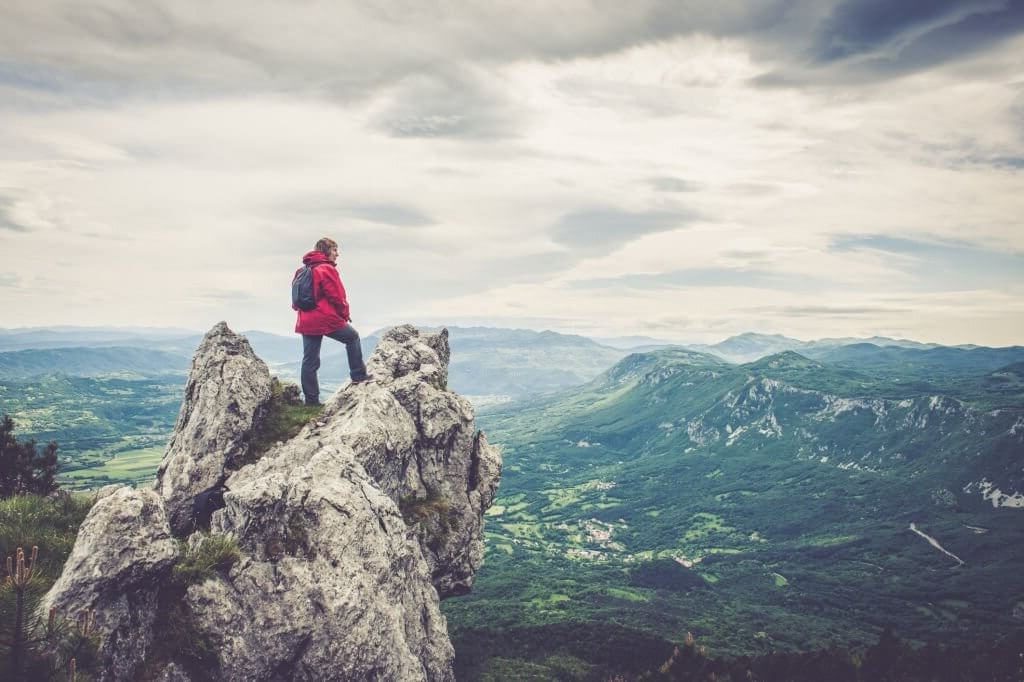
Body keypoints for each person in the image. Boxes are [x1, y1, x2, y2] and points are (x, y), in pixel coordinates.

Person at [293, 237, 372, 406]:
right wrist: (344, 314)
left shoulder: (301, 271)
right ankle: (358, 375)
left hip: (305, 320)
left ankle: (311, 401)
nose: (338, 254)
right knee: (352, 337)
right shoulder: (326, 269)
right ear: (326, 251)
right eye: (335, 250)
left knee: (310, 359)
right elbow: (337, 296)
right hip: (325, 318)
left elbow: (295, 300)